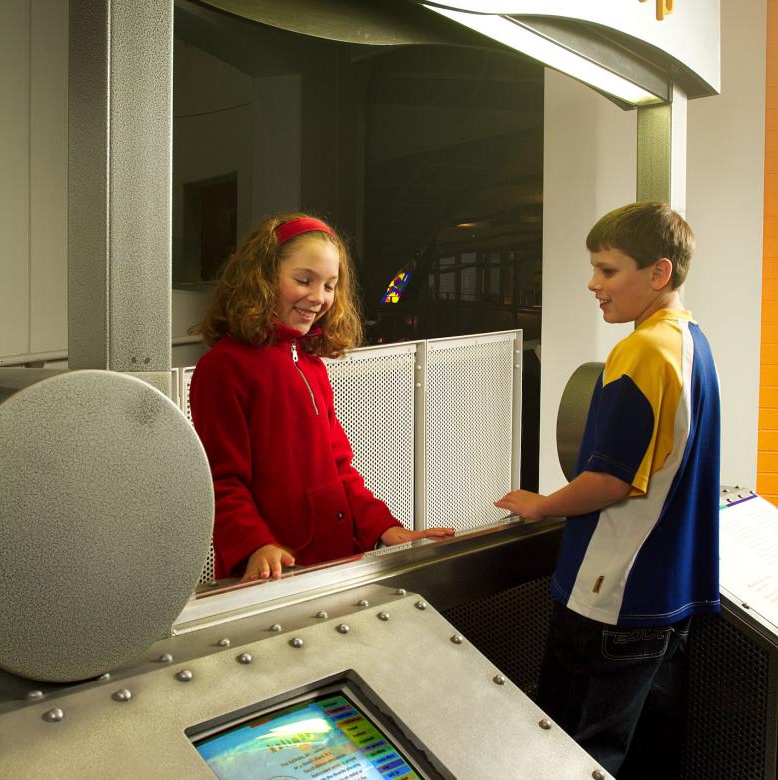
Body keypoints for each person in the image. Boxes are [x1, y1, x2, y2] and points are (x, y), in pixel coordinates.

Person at [495, 201, 720, 776]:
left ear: (659, 272)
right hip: (667, 596)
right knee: (648, 751)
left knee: (574, 753)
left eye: (608, 270)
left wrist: (541, 506)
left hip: (612, 597)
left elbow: (610, 479)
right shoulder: (693, 342)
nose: (594, 284)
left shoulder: (640, 351)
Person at [189, 212, 453, 582]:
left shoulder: (311, 364)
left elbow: (339, 467)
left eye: (330, 286)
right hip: (275, 573)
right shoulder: (223, 367)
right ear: (261, 276)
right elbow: (221, 482)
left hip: (336, 562)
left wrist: (384, 529)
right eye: (304, 280)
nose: (319, 297)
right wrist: (255, 545)